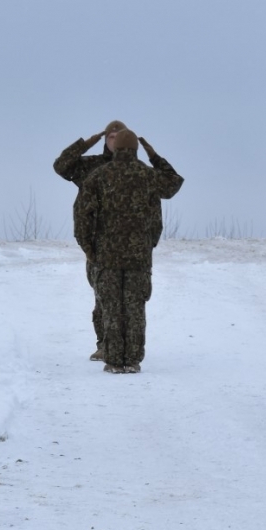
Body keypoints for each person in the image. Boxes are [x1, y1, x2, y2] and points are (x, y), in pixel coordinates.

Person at [73, 129, 183, 372]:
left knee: (111, 308)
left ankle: (113, 362)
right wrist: (154, 156)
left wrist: (89, 248)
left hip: (106, 257)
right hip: (139, 257)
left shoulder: (99, 176)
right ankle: (132, 361)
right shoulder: (148, 175)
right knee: (135, 309)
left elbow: (82, 215)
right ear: (135, 149)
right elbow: (174, 183)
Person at [55, 120, 127, 360]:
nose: (114, 141)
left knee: (127, 297)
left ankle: (123, 344)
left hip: (127, 243)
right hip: (97, 243)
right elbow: (61, 166)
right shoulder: (92, 166)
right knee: (102, 295)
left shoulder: (134, 169)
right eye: (110, 137)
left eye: (119, 136)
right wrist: (87, 142)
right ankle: (104, 344)